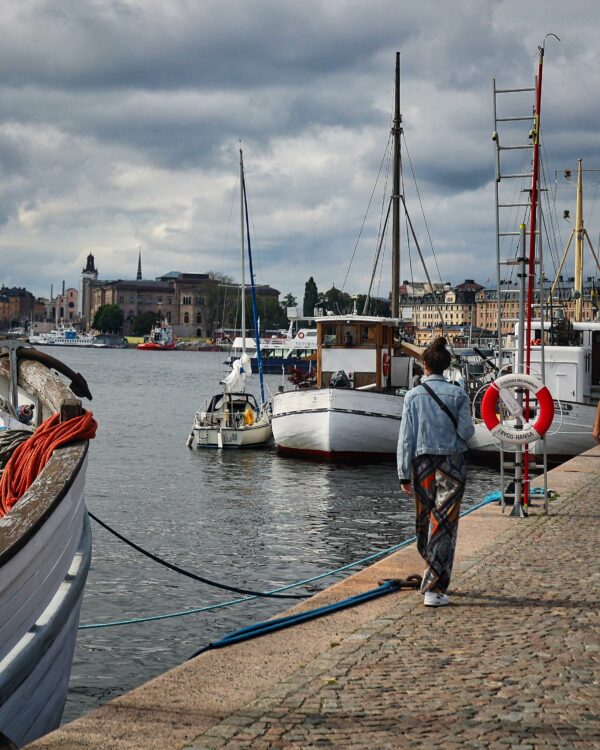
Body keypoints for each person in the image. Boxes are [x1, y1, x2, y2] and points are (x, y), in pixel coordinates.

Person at [397, 337, 475, 607]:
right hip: (452, 466)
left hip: (422, 466)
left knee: (424, 524)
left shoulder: (412, 395)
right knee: (444, 525)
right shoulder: (459, 394)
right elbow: (467, 432)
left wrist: (403, 474)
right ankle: (434, 587)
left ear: (424, 365)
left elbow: (405, 439)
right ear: (446, 366)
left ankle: (431, 579)